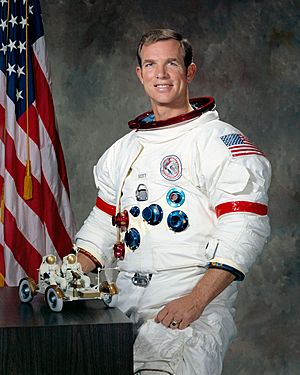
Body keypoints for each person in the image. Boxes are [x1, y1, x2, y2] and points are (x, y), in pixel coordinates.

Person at [75, 29, 271, 375]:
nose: (161, 74)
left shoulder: (219, 142)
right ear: (140, 74)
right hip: (122, 304)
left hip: (187, 306)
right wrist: (69, 273)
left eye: (172, 64)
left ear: (189, 72)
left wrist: (195, 302)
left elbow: (245, 229)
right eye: (151, 64)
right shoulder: (122, 151)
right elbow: (104, 224)